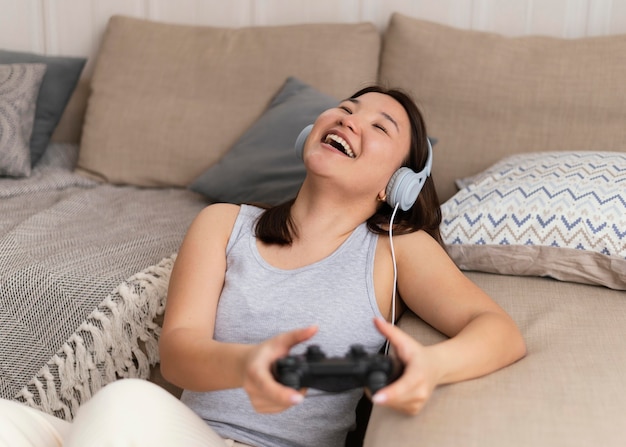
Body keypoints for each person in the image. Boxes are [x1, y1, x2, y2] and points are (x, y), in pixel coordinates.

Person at [0, 86, 526, 447]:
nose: (349, 118)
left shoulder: (394, 249)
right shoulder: (222, 224)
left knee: (122, 404)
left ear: (399, 184)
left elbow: (499, 332)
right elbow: (179, 353)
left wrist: (431, 368)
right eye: (345, 107)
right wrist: (247, 366)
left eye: (379, 126)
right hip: (184, 433)